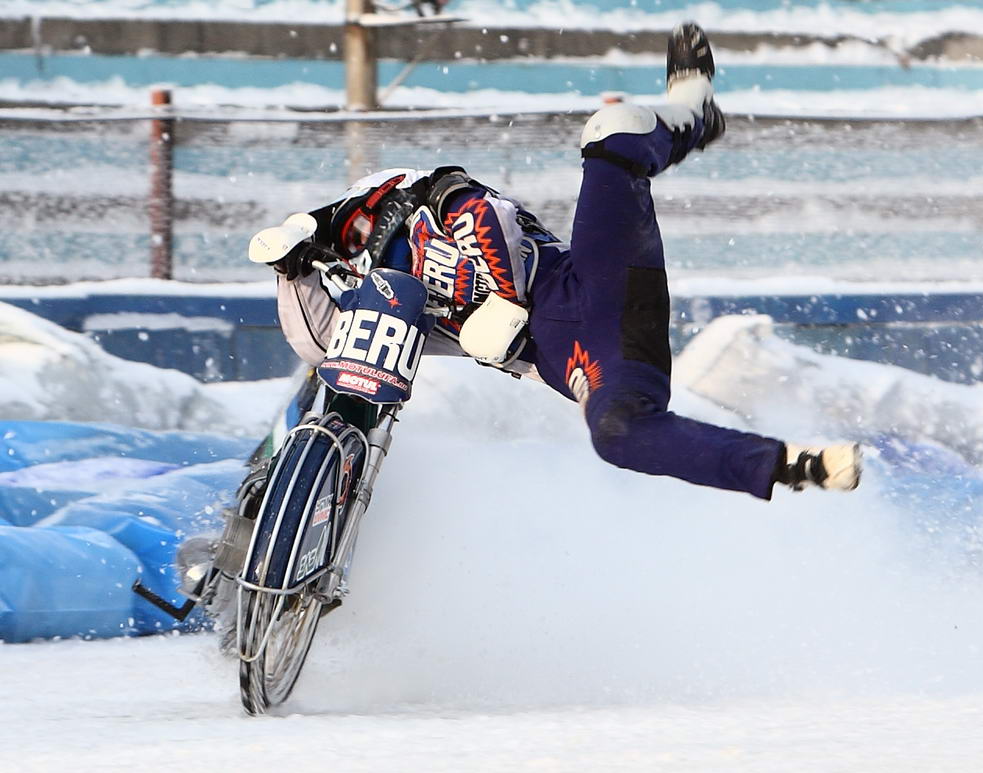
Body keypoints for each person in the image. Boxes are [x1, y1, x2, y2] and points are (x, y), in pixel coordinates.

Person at [255, 22, 862, 501]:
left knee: (612, 131)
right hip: (576, 356)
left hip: (591, 286)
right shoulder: (367, 296)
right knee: (618, 432)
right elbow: (319, 343)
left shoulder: (401, 199)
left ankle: (695, 112)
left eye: (353, 239)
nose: (356, 256)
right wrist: (291, 270)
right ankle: (792, 464)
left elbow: (480, 211)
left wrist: (503, 302)